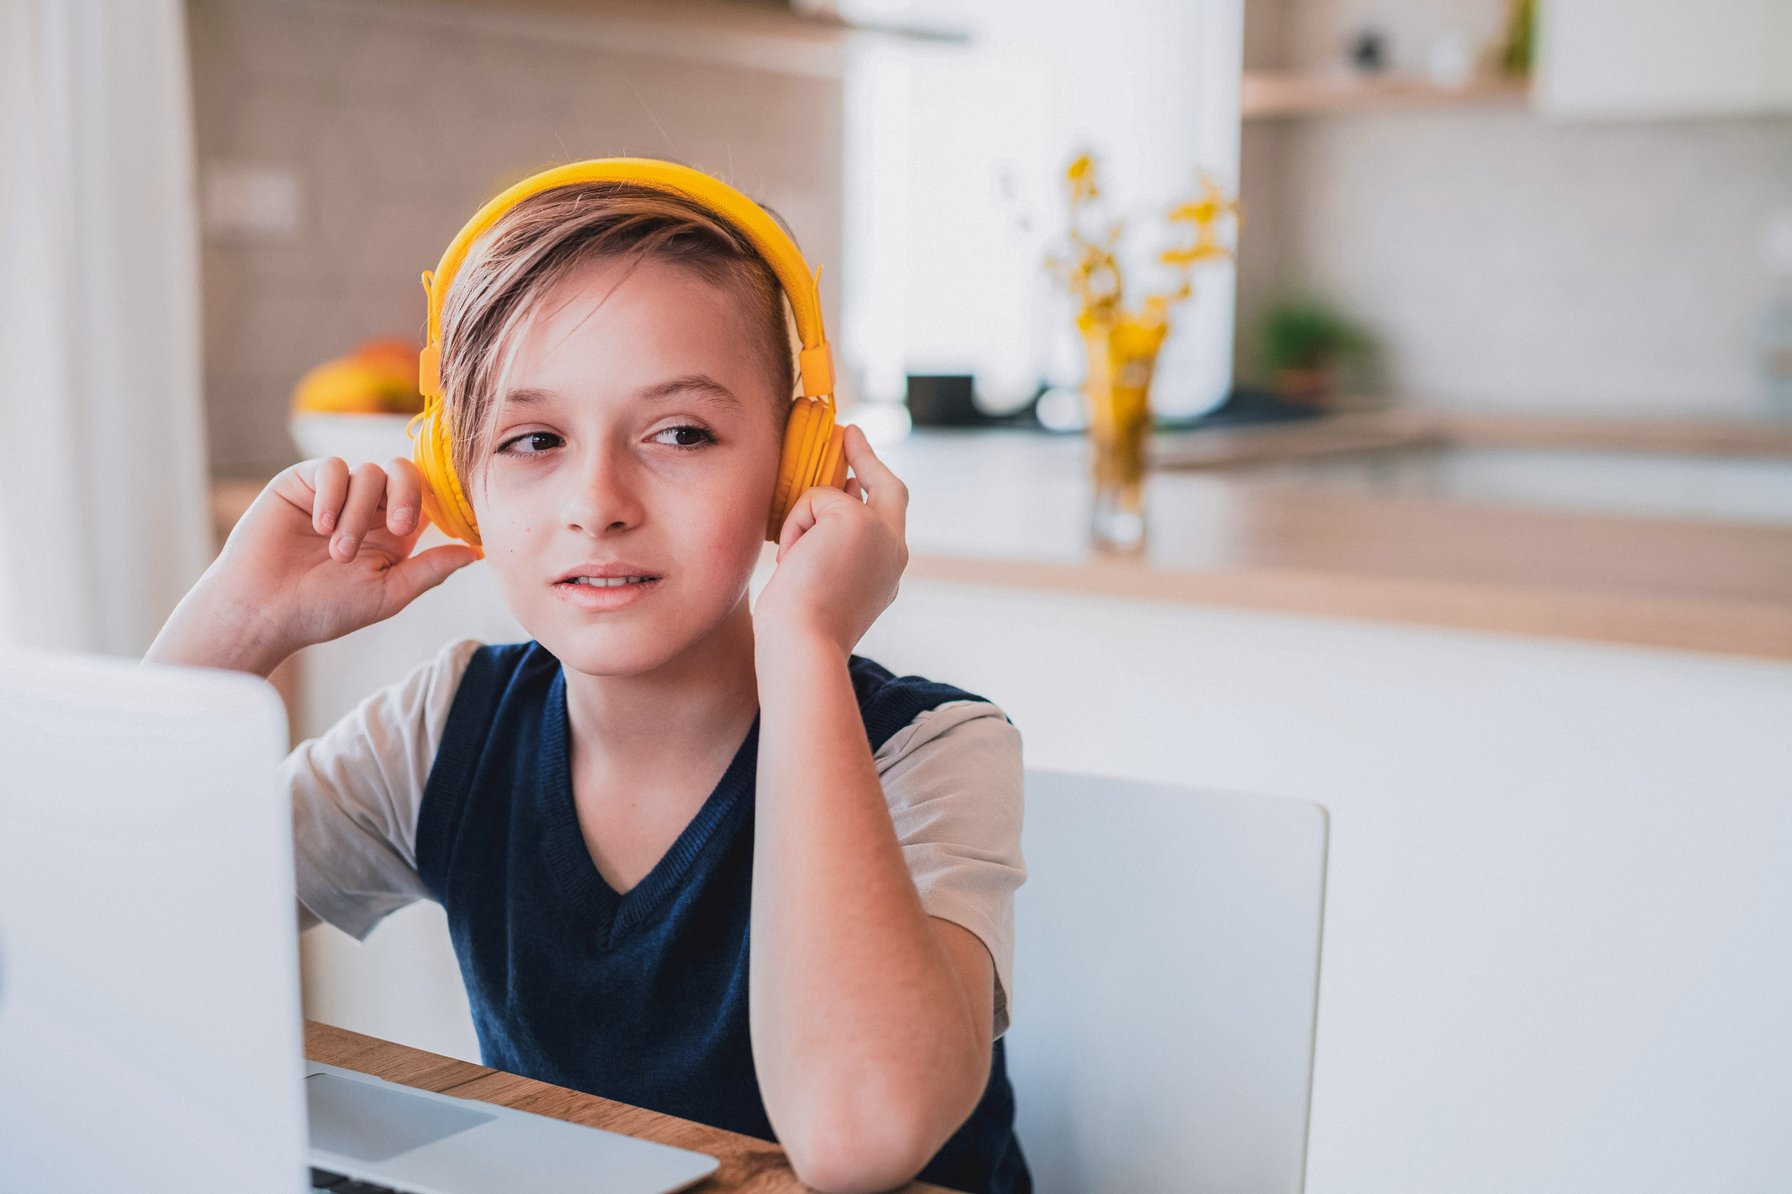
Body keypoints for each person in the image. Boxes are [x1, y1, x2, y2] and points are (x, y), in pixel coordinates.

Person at [146, 172, 1030, 1194]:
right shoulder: (446, 729)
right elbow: (104, 922)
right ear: (458, 478)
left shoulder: (931, 751)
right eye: (534, 440)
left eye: (680, 433)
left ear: (796, 468)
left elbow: (857, 1138)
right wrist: (235, 625)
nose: (598, 502)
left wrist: (805, 642)